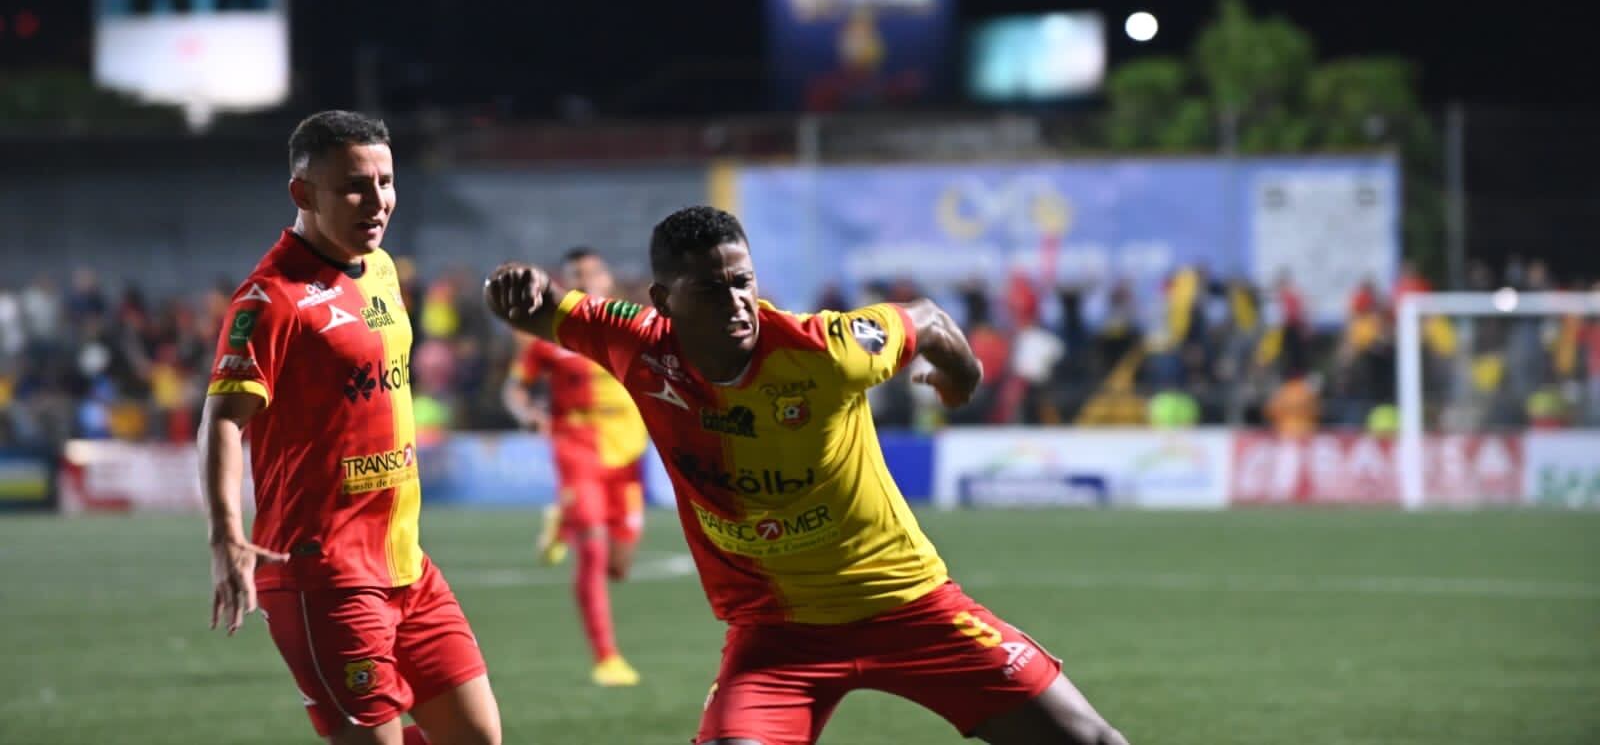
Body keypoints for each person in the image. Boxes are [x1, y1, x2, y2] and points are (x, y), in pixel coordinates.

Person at [485, 205, 1129, 745]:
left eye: (743, 281)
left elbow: (929, 319)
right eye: (710, 289)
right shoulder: (635, 343)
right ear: (664, 301)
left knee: (1089, 740)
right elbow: (532, 305)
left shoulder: (828, 350)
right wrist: (515, 284)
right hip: (776, 633)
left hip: (906, 605)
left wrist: (963, 376)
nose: (737, 303)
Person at [198, 110, 501, 745]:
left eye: (385, 182)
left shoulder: (382, 268)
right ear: (303, 193)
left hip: (406, 564)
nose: (378, 201)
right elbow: (222, 421)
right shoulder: (271, 298)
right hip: (324, 574)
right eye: (355, 187)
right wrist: (226, 536)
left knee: (477, 737)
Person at [501, 246, 649, 687]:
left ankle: (563, 521)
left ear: (607, 281)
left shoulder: (632, 326)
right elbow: (515, 389)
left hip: (628, 455)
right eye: (575, 276)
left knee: (619, 566)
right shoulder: (549, 337)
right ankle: (606, 658)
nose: (585, 282)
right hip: (576, 445)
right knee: (594, 551)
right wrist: (527, 414)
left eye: (592, 274)